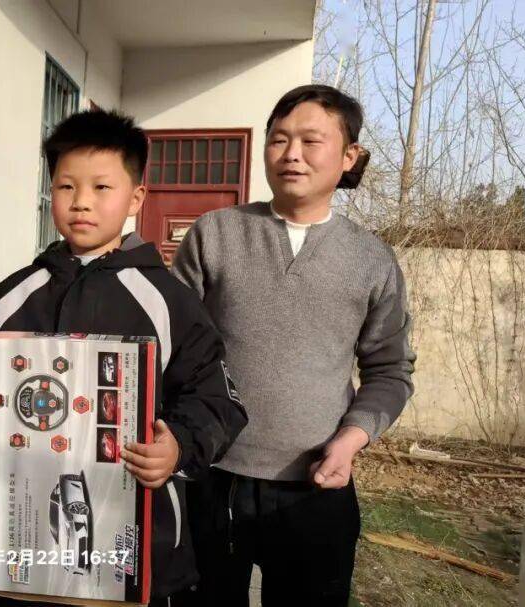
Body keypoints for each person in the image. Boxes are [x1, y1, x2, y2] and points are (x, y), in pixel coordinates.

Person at [0, 109, 248, 605]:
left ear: (136, 198)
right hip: (18, 553)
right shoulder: (13, 295)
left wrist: (178, 448)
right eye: (66, 187)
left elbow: (218, 401)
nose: (81, 202)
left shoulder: (168, 301)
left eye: (102, 187)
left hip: (131, 553)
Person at [171, 84, 416, 606]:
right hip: (211, 478)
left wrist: (351, 439)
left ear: (349, 155)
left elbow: (391, 370)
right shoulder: (215, 234)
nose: (291, 154)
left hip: (316, 486)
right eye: (279, 139)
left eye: (311, 140)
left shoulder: (371, 259)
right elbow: (173, 347)